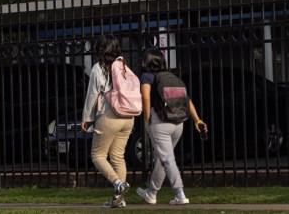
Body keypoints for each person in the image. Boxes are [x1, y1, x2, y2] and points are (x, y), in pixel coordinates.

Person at [135, 47, 207, 206]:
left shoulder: (146, 77)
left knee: (166, 159)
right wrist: (197, 120)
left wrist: (147, 119)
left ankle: (180, 193)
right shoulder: (171, 76)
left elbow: (145, 97)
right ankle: (151, 193)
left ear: (146, 61)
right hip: (178, 122)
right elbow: (187, 100)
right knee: (162, 158)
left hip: (159, 122)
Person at [81, 35, 136, 208]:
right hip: (128, 117)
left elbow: (92, 94)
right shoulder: (124, 66)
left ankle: (117, 184)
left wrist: (87, 118)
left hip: (109, 115)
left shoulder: (100, 68)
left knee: (97, 156)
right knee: (118, 157)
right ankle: (119, 199)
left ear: (101, 50)